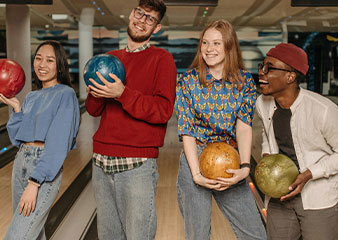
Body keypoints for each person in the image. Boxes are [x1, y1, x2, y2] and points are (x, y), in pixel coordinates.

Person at [85, 0, 176, 239]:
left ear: (156, 28)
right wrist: (95, 91)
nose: (142, 20)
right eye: (139, 13)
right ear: (131, 14)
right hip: (102, 162)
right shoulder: (109, 59)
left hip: (137, 164)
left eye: (150, 18)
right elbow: (93, 110)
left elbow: (163, 110)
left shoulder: (162, 59)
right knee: (109, 235)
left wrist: (122, 94)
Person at [175, 19, 266, 240]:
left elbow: (243, 127)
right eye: (205, 43)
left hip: (229, 158)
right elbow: (187, 131)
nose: (209, 49)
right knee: (197, 236)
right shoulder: (187, 81)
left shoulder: (244, 81)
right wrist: (196, 174)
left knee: (255, 235)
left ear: (229, 45)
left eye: (216, 43)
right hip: (195, 156)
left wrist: (245, 167)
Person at [256, 43, 338, 240]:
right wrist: (267, 156)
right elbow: (267, 135)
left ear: (290, 76)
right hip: (278, 197)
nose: (261, 72)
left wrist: (309, 174)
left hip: (317, 199)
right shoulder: (262, 103)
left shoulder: (323, 111)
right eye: (262, 66)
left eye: (269, 68)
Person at [0, 40, 80, 240]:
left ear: (59, 65)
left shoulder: (66, 94)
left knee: (18, 236)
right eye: (38, 58)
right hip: (21, 163)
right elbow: (18, 140)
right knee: (33, 234)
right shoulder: (32, 97)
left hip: (42, 170)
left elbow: (58, 144)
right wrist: (17, 109)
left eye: (49, 60)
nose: (42, 65)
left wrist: (34, 183)